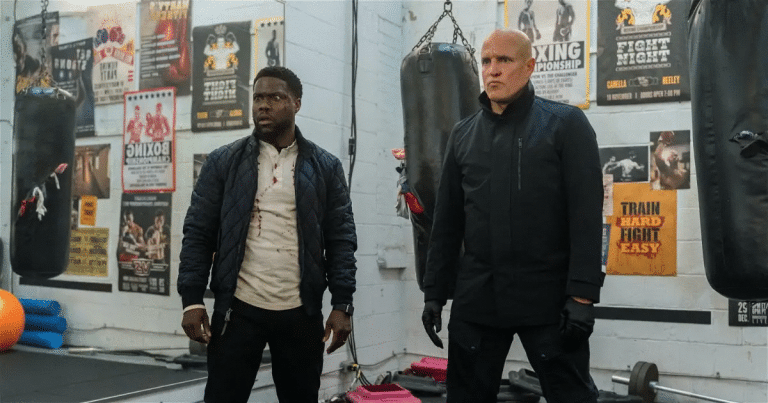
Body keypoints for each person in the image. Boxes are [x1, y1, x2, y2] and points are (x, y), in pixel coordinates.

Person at [421, 29, 604, 403]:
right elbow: (447, 222)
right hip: (478, 298)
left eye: (504, 60)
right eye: (486, 61)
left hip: (547, 297)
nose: (493, 70)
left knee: (572, 397)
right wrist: (434, 292)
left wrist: (583, 296)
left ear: (529, 66)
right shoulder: (463, 134)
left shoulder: (565, 124)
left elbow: (586, 216)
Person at [178, 66, 357, 403]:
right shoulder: (223, 163)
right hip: (238, 309)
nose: (263, 105)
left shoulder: (326, 167)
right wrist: (192, 300)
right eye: (258, 97)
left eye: (275, 97)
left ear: (296, 103)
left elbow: (341, 240)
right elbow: (198, 233)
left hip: (301, 310)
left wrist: (342, 304)